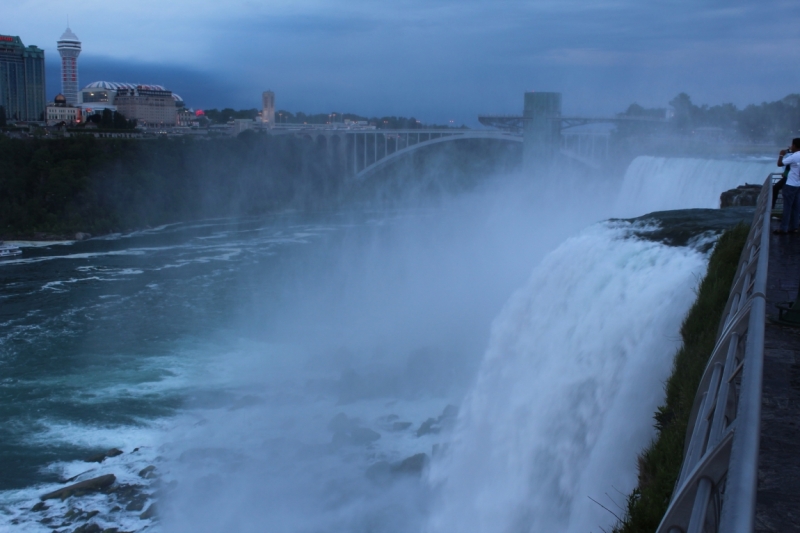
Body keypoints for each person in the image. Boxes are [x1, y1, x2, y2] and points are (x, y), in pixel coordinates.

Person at [774, 138, 800, 235]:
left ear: (794, 146)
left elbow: (779, 164)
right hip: (798, 185)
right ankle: (794, 227)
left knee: (787, 207)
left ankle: (783, 228)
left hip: (790, 185)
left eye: (792, 145)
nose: (791, 146)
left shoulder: (794, 156)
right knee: (796, 207)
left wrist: (781, 154)